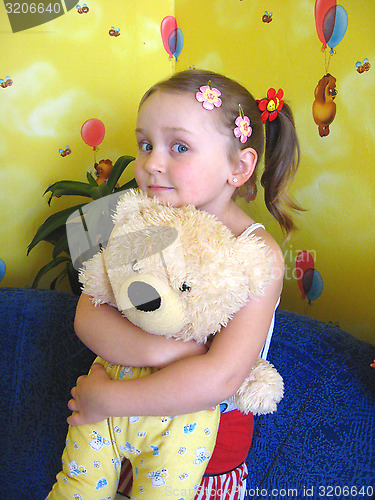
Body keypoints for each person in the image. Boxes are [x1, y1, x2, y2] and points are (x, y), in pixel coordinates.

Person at [48, 69, 301, 500]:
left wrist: (110, 401)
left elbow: (220, 377)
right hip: (110, 429)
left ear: (238, 167)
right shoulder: (134, 215)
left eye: (178, 147)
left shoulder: (258, 254)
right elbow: (87, 314)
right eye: (145, 144)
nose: (151, 163)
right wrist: (166, 352)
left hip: (198, 450)